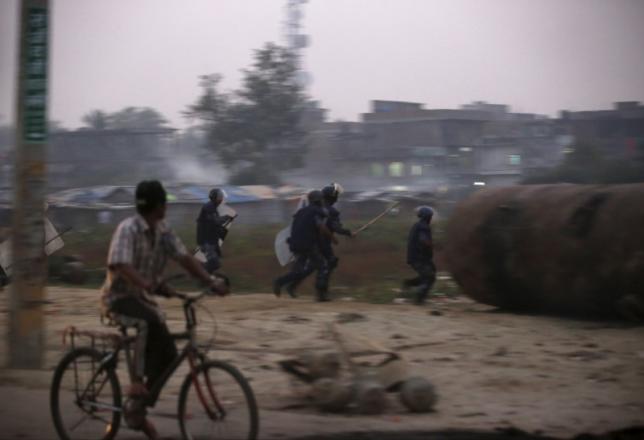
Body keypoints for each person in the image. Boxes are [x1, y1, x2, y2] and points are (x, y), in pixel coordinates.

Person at [101, 180, 227, 439]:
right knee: (148, 321)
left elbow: (184, 258)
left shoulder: (163, 231)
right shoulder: (128, 229)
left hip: (142, 299)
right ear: (159, 205)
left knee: (169, 353)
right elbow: (120, 264)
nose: (166, 207)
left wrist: (210, 281)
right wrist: (145, 283)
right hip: (118, 298)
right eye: (164, 203)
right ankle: (136, 383)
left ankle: (138, 409)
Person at [272, 190, 336, 301]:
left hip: (295, 244)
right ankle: (321, 296)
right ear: (319, 200)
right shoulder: (317, 212)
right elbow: (321, 227)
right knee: (323, 266)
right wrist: (332, 237)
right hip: (308, 245)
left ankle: (279, 281)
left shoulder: (301, 211)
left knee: (298, 271)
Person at [317, 183, 354, 299]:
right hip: (324, 243)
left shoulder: (316, 209)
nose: (337, 198)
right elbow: (336, 228)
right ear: (331, 197)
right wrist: (348, 232)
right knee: (330, 263)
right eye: (336, 196)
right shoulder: (332, 212)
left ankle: (321, 293)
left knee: (321, 265)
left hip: (313, 242)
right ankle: (322, 293)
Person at [403, 205, 436, 305]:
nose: (431, 218)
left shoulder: (418, 225)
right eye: (430, 216)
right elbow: (423, 240)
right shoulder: (423, 226)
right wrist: (430, 244)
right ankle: (419, 300)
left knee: (431, 274)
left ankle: (408, 283)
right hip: (419, 258)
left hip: (419, 257)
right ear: (427, 217)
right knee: (429, 277)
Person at [196, 188, 234, 274]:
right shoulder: (209, 207)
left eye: (221, 197)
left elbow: (215, 224)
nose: (221, 199)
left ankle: (206, 276)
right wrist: (227, 217)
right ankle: (202, 275)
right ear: (214, 197)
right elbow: (216, 222)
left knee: (214, 262)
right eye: (220, 197)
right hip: (206, 240)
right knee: (214, 263)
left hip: (211, 239)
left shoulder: (213, 207)